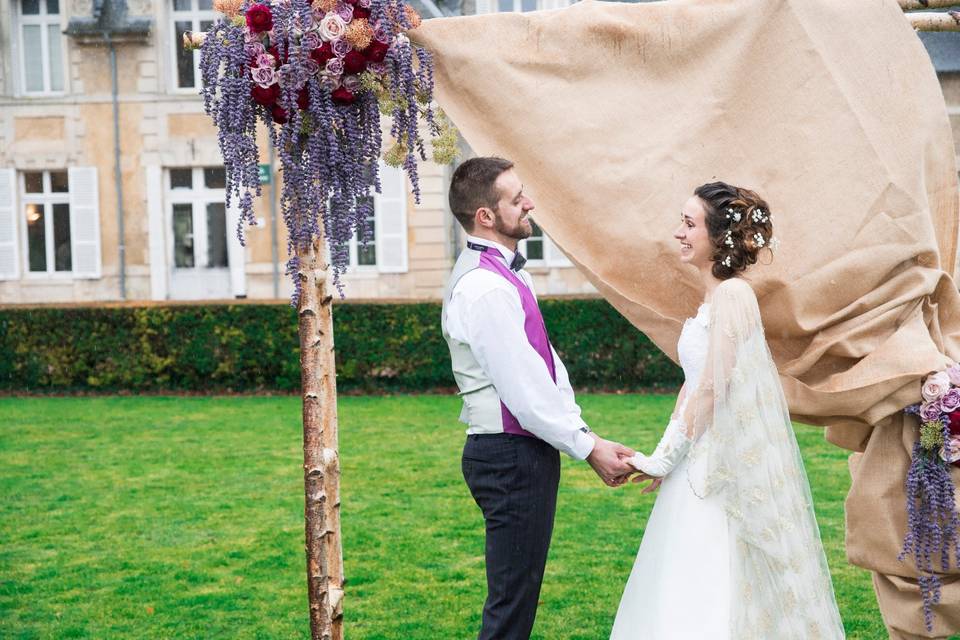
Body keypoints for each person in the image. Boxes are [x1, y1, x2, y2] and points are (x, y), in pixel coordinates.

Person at [611, 182, 846, 639]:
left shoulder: (734, 296)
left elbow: (713, 388)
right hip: (697, 459)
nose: (679, 233)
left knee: (718, 572)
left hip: (722, 468)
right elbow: (691, 386)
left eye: (688, 223)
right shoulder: (714, 298)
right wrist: (667, 456)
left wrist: (663, 458)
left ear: (719, 237)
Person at [442, 156, 636, 640]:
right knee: (510, 606)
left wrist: (583, 434)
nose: (529, 202)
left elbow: (546, 366)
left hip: (521, 452)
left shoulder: (510, 275)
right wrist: (589, 449)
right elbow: (525, 392)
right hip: (508, 456)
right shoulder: (485, 288)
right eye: (516, 198)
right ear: (485, 216)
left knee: (518, 597)